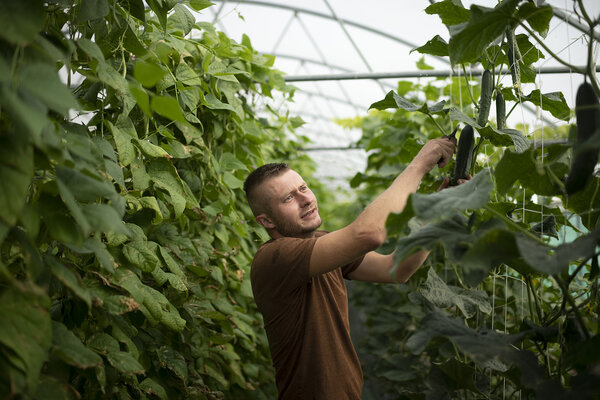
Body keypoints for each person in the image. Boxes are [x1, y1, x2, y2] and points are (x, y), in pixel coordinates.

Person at [243, 137, 458, 400]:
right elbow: (369, 234)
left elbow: (396, 269)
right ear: (266, 220)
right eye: (288, 198)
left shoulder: (321, 244)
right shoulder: (274, 258)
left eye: (303, 187)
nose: (305, 199)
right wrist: (422, 162)